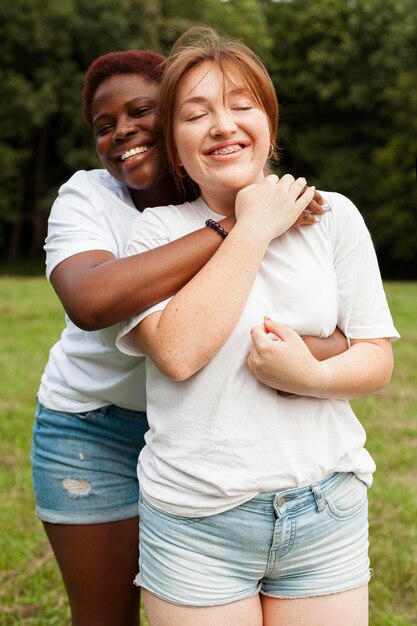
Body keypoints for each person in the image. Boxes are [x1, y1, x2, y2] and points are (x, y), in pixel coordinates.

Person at [31, 48, 338, 626]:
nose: (121, 132)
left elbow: (316, 330)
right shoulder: (91, 197)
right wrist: (238, 227)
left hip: (198, 429)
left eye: (141, 111)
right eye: (104, 126)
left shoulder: (236, 187)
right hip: (92, 429)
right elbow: (90, 302)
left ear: (174, 120)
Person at [117, 26, 399, 626]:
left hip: (326, 508)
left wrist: (309, 375)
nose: (223, 125)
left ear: (269, 123)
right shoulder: (154, 236)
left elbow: (376, 355)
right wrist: (253, 225)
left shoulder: (334, 217)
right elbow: (180, 352)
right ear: (174, 143)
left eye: (242, 106)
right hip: (196, 520)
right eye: (197, 114)